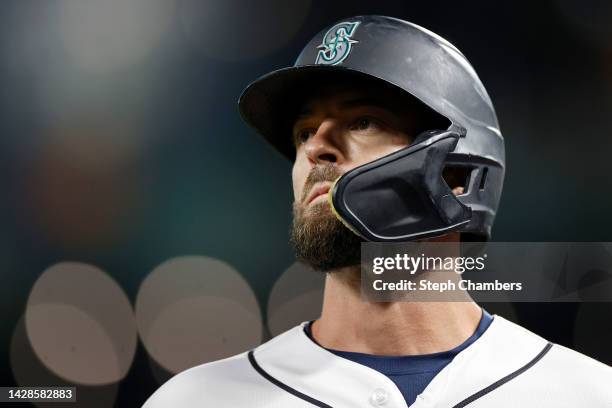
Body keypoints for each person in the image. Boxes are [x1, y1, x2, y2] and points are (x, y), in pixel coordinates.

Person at [143, 15, 612, 408]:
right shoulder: (197, 400)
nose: (316, 149)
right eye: (304, 132)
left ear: (455, 171)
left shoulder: (583, 395)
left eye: (363, 121)